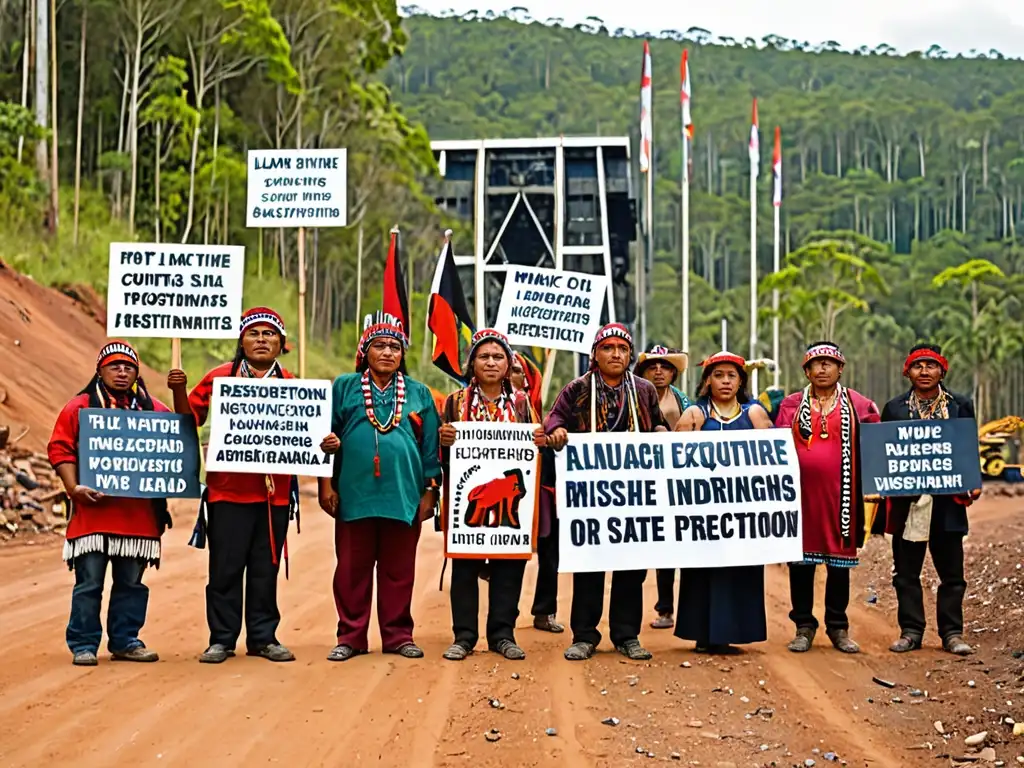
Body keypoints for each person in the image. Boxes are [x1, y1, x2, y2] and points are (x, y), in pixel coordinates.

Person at [181, 307, 302, 664]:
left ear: (281, 344)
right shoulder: (219, 378)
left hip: (274, 496)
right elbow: (187, 421)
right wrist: (178, 391)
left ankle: (263, 638)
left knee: (266, 568)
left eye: (269, 334)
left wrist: (323, 444)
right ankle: (221, 639)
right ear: (241, 340)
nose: (261, 339)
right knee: (225, 568)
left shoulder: (294, 386)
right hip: (227, 491)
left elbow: (309, 436)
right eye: (254, 333)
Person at [318, 311, 441, 662]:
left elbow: (430, 447)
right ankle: (351, 636)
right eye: (380, 346)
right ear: (365, 352)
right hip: (353, 493)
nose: (388, 352)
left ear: (402, 355)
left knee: (399, 570)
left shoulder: (419, 394)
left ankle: (399, 635)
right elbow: (322, 438)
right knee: (351, 569)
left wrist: (430, 492)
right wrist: (326, 485)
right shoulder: (343, 386)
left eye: (395, 347)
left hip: (404, 495)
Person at [545, 323, 668, 661]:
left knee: (632, 564)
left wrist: (659, 431)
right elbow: (553, 421)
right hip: (590, 496)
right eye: (608, 348)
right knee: (590, 563)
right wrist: (556, 434)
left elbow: (659, 424)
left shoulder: (643, 390)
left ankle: (627, 635)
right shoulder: (577, 389)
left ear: (630, 355)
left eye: (623, 349)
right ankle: (584, 635)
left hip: (635, 492)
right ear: (595, 355)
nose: (616, 354)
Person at [48, 341, 176, 666]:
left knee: (131, 584)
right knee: (88, 583)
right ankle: (83, 643)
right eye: (114, 366)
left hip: (138, 517)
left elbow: (177, 445)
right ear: (99, 371)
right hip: (93, 515)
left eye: (129, 367)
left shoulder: (154, 411)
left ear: (136, 373)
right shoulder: (79, 408)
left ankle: (125, 640)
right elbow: (60, 449)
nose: (122, 372)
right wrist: (73, 487)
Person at [439, 329, 547, 661]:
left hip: (510, 499)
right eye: (483, 356)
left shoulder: (521, 402)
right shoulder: (455, 403)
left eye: (498, 356)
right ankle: (464, 636)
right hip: (470, 495)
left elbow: (535, 450)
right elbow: (442, 455)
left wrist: (539, 440)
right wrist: (444, 440)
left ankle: (502, 634)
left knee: (508, 566)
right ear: (472, 363)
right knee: (465, 566)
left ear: (509, 363)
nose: (490, 362)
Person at [775, 342, 880, 654]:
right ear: (806, 371)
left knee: (839, 567)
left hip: (841, 500)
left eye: (828, 363)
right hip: (801, 499)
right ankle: (803, 626)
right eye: (816, 364)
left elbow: (875, 448)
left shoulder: (860, 405)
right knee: (801, 564)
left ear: (840, 369)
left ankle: (838, 627)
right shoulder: (791, 405)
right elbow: (776, 447)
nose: (822, 369)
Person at [880, 344, 978, 656]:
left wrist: (973, 482)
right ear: (906, 371)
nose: (924, 372)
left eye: (931, 366)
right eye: (917, 366)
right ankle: (911, 631)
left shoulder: (961, 406)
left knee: (952, 574)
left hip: (948, 502)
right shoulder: (894, 409)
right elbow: (884, 454)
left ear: (942, 371)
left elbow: (967, 449)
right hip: (910, 503)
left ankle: (952, 633)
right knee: (906, 572)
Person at [674, 351, 773, 653]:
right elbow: (673, 459)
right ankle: (702, 633)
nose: (726, 381)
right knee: (704, 571)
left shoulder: (754, 414)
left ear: (741, 380)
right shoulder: (694, 414)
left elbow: (773, 458)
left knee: (739, 569)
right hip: (703, 514)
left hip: (743, 513)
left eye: (732, 375)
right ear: (707, 380)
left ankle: (737, 631)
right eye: (719, 375)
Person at [635, 344, 691, 630]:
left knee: (669, 545)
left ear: (673, 372)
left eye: (665, 366)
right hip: (638, 479)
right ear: (643, 371)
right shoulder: (631, 398)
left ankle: (666, 608)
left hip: (674, 480)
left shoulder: (683, 401)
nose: (659, 371)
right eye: (652, 366)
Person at [511, 351, 564, 634]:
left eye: (517, 370)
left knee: (549, 553)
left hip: (542, 490)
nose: (510, 375)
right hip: (508, 495)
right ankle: (505, 614)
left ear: (528, 380)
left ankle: (544, 611)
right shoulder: (474, 406)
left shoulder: (542, 415)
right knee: (511, 553)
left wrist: (550, 439)